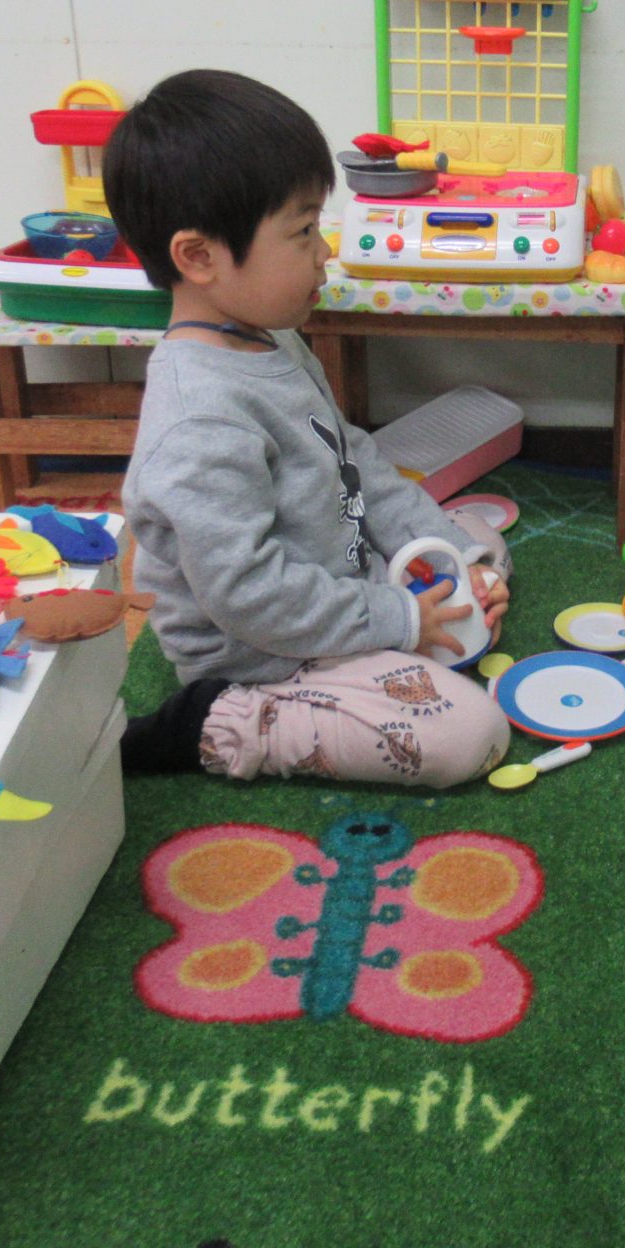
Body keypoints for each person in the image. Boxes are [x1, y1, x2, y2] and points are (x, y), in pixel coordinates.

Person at [110, 70, 512, 787]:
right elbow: (251, 595)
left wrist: (456, 562)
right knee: (469, 734)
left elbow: (355, 464)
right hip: (265, 655)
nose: (324, 252)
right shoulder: (199, 419)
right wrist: (399, 618)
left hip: (337, 588)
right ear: (199, 257)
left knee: (481, 541)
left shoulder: (271, 339)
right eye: (301, 232)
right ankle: (215, 725)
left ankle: (406, 615)